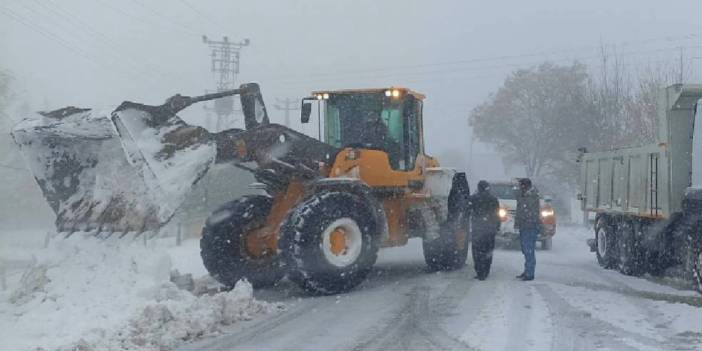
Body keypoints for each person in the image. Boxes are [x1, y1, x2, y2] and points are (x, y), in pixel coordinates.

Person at [468, 180, 500, 280]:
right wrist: (497, 226)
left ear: (478, 188)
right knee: (488, 250)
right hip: (490, 229)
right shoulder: (494, 199)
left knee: (477, 251)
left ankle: (479, 271)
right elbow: (497, 214)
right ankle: (486, 270)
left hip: (478, 229)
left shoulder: (474, 198)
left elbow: (467, 210)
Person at [515, 178, 541, 281]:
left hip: (529, 226)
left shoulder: (531, 196)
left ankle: (530, 273)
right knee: (526, 250)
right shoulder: (525, 195)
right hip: (525, 226)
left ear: (525, 186)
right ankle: (527, 271)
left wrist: (522, 221)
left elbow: (526, 211)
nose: (519, 188)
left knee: (529, 250)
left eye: (520, 185)